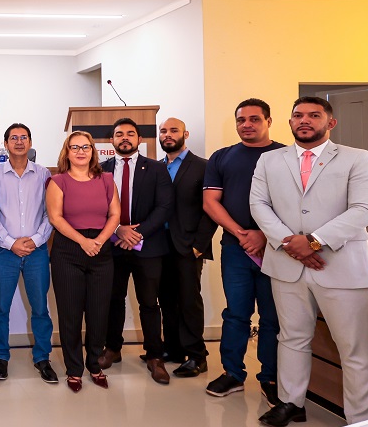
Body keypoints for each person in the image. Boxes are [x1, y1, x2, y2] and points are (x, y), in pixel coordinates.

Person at [251, 97, 368, 427]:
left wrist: (313, 241)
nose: (304, 120)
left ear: (330, 123)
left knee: (353, 347)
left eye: (314, 115)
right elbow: (259, 205)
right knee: (291, 338)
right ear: (290, 122)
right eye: (298, 115)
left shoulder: (358, 158)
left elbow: (364, 210)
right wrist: (290, 243)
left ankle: (361, 419)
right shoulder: (270, 160)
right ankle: (291, 403)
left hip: (342, 265)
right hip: (287, 265)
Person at [203, 98, 285, 403]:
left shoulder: (286, 156)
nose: (247, 125)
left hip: (276, 249)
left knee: (272, 317)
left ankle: (271, 377)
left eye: (254, 119)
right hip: (236, 249)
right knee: (236, 313)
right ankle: (233, 374)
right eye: (241, 120)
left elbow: (295, 204)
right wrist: (242, 234)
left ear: (268, 121)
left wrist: (265, 235)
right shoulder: (222, 157)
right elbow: (210, 202)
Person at [98, 118, 174, 385]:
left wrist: (136, 234)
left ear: (140, 140)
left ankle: (155, 356)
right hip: (114, 246)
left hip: (148, 246)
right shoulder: (101, 170)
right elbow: (97, 207)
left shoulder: (156, 168)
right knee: (113, 300)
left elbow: (165, 207)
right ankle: (112, 349)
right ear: (111, 140)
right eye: (119, 134)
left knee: (150, 303)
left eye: (131, 134)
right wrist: (119, 230)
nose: (125, 138)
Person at [47, 130, 120, 392]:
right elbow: (55, 218)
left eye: (85, 147)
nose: (80, 151)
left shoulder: (107, 179)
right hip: (68, 250)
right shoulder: (58, 181)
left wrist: (98, 241)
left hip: (101, 249)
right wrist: (83, 241)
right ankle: (74, 369)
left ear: (93, 151)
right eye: (75, 147)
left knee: (99, 313)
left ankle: (95, 365)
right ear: (67, 152)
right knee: (71, 314)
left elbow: (115, 215)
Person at [0, 124, 56, 384]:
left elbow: (51, 213)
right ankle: (1, 357)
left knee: (40, 308)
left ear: (30, 142)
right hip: (4, 252)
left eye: (23, 137)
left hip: (37, 252)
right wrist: (10, 243)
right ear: (5, 144)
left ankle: (42, 358)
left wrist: (35, 240)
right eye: (13, 138)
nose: (18, 141)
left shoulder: (43, 174)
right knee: (1, 308)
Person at [157, 118, 218, 377]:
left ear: (186, 134)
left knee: (188, 301)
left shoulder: (203, 166)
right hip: (160, 246)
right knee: (166, 300)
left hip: (189, 246)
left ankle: (197, 356)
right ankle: (173, 349)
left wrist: (199, 245)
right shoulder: (157, 167)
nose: (168, 135)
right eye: (163, 131)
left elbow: (212, 208)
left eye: (174, 130)